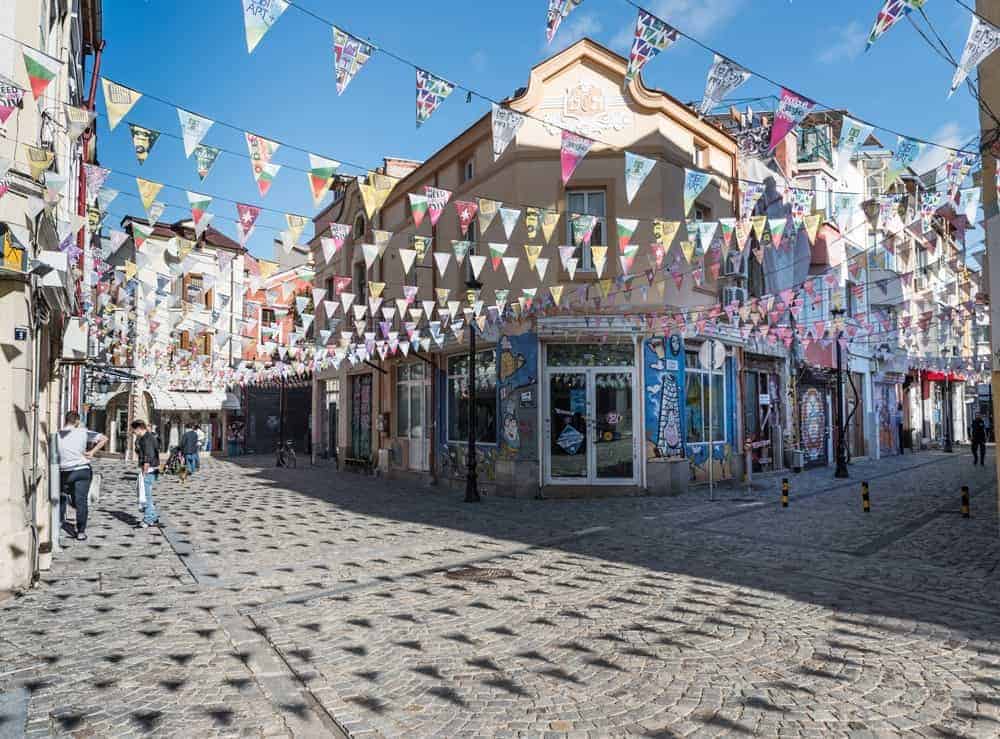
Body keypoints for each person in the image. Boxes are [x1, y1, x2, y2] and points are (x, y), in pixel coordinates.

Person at [56, 411, 107, 541]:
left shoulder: (58, 434)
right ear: (77, 421)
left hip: (65, 471)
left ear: (65, 421)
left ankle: (58, 523)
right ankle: (81, 532)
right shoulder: (83, 432)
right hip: (82, 470)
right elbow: (104, 438)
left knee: (62, 496)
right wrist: (92, 452)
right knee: (81, 501)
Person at [132, 419, 161, 528]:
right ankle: (153, 517)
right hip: (152, 469)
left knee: (146, 496)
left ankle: (148, 519)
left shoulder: (146, 439)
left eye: (134, 430)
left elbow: (148, 456)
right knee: (147, 495)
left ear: (139, 428)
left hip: (149, 470)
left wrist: (144, 471)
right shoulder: (148, 437)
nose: (133, 432)